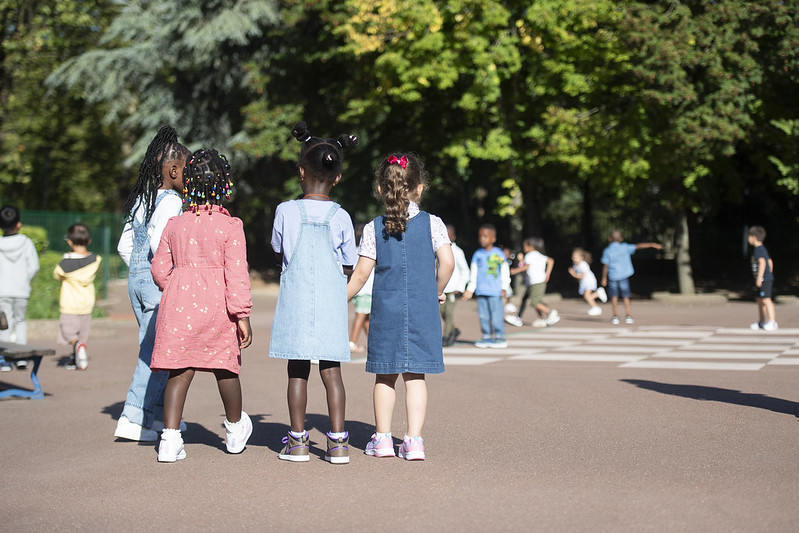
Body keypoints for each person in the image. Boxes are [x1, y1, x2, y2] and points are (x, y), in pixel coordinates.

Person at [347, 152, 454, 461]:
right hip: (423, 307)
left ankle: (381, 440)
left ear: (381, 189)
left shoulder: (373, 228)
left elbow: (361, 275)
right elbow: (448, 262)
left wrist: (339, 299)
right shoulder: (433, 224)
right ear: (419, 188)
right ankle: (413, 441)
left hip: (387, 309)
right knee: (415, 376)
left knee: (385, 375)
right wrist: (437, 289)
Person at [150, 149, 253, 463]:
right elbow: (237, 274)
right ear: (224, 185)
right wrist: (242, 315)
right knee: (225, 369)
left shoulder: (174, 224)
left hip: (178, 308)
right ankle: (234, 432)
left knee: (179, 372)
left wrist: (177, 287)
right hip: (218, 309)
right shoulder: (231, 226)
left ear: (188, 184)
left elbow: (158, 268)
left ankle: (169, 440)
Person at [269, 121, 358, 464]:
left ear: (301, 171)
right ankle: (337, 443)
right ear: (336, 177)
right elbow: (349, 261)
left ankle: (298, 441)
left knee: (297, 370)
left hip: (295, 302)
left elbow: (278, 249)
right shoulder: (342, 216)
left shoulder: (286, 211)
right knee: (332, 372)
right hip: (330, 303)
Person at [114, 125, 191, 442]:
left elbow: (123, 246)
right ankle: (134, 417)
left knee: (157, 348)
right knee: (158, 353)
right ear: (174, 170)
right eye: (187, 170)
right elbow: (163, 241)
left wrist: (139, 272)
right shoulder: (172, 201)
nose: (190, 177)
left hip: (137, 281)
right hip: (159, 285)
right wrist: (168, 275)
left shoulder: (141, 200)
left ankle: (158, 414)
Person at [53, 223, 102, 370]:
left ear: (69, 241)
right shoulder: (95, 260)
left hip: (70, 304)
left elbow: (57, 274)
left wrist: (67, 256)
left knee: (68, 332)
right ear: (89, 241)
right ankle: (77, 357)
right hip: (87, 304)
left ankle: (77, 345)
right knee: (83, 332)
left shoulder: (65, 264)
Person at [0, 205, 40, 371]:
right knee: (20, 322)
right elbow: (34, 266)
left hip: (2, 291)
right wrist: (24, 279)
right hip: (21, 291)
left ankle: (5, 360)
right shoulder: (26, 243)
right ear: (18, 224)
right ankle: (22, 359)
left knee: (4, 324)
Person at [600, 230, 663, 325]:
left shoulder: (607, 251)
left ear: (610, 239)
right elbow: (639, 246)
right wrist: (652, 244)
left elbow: (605, 265)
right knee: (626, 296)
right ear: (621, 239)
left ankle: (615, 316)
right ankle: (628, 315)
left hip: (613, 276)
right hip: (624, 276)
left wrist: (604, 278)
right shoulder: (625, 247)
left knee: (614, 297)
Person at [463, 225, 511, 347]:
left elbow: (505, 271)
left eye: (485, 236)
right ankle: (486, 336)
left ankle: (500, 337)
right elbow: (473, 273)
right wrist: (470, 289)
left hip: (495, 291)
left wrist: (504, 287)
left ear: (493, 238)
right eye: (480, 236)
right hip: (481, 290)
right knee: (483, 316)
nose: (482, 239)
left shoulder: (499, 254)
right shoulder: (477, 254)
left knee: (496, 315)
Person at [504, 237, 559, 328]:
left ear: (531, 246)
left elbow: (526, 267)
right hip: (534, 281)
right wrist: (547, 273)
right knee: (526, 299)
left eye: (525, 246)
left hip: (536, 282)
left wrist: (515, 271)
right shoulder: (538, 254)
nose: (524, 248)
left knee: (535, 302)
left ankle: (551, 313)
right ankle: (525, 318)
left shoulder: (530, 255)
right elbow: (550, 261)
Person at [441, 223, 470, 347]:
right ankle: (454, 329)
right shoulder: (438, 250)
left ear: (453, 237)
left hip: (453, 289)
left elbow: (465, 270)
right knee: (442, 312)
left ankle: (447, 336)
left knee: (449, 313)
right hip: (441, 288)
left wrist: (461, 286)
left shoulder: (457, 251)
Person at [348, 223, 373, 353]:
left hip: (357, 289)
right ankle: (352, 342)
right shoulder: (369, 250)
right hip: (366, 289)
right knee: (361, 315)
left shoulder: (354, 250)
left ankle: (373, 343)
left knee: (366, 318)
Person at [748, 226, 777, 331]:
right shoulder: (762, 249)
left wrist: (760, 277)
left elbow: (763, 262)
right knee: (760, 299)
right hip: (766, 278)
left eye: (749, 236)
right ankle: (762, 321)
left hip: (764, 279)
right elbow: (770, 261)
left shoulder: (758, 249)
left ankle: (772, 322)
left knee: (766, 300)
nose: (748, 239)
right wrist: (769, 273)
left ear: (754, 237)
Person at [567, 247, 605, 317]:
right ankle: (598, 293)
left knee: (587, 296)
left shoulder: (583, 265)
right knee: (585, 298)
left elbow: (582, 276)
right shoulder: (575, 265)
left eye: (575, 257)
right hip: (584, 283)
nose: (573, 259)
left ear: (581, 258)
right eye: (573, 257)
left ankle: (595, 308)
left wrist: (573, 274)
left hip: (589, 281)